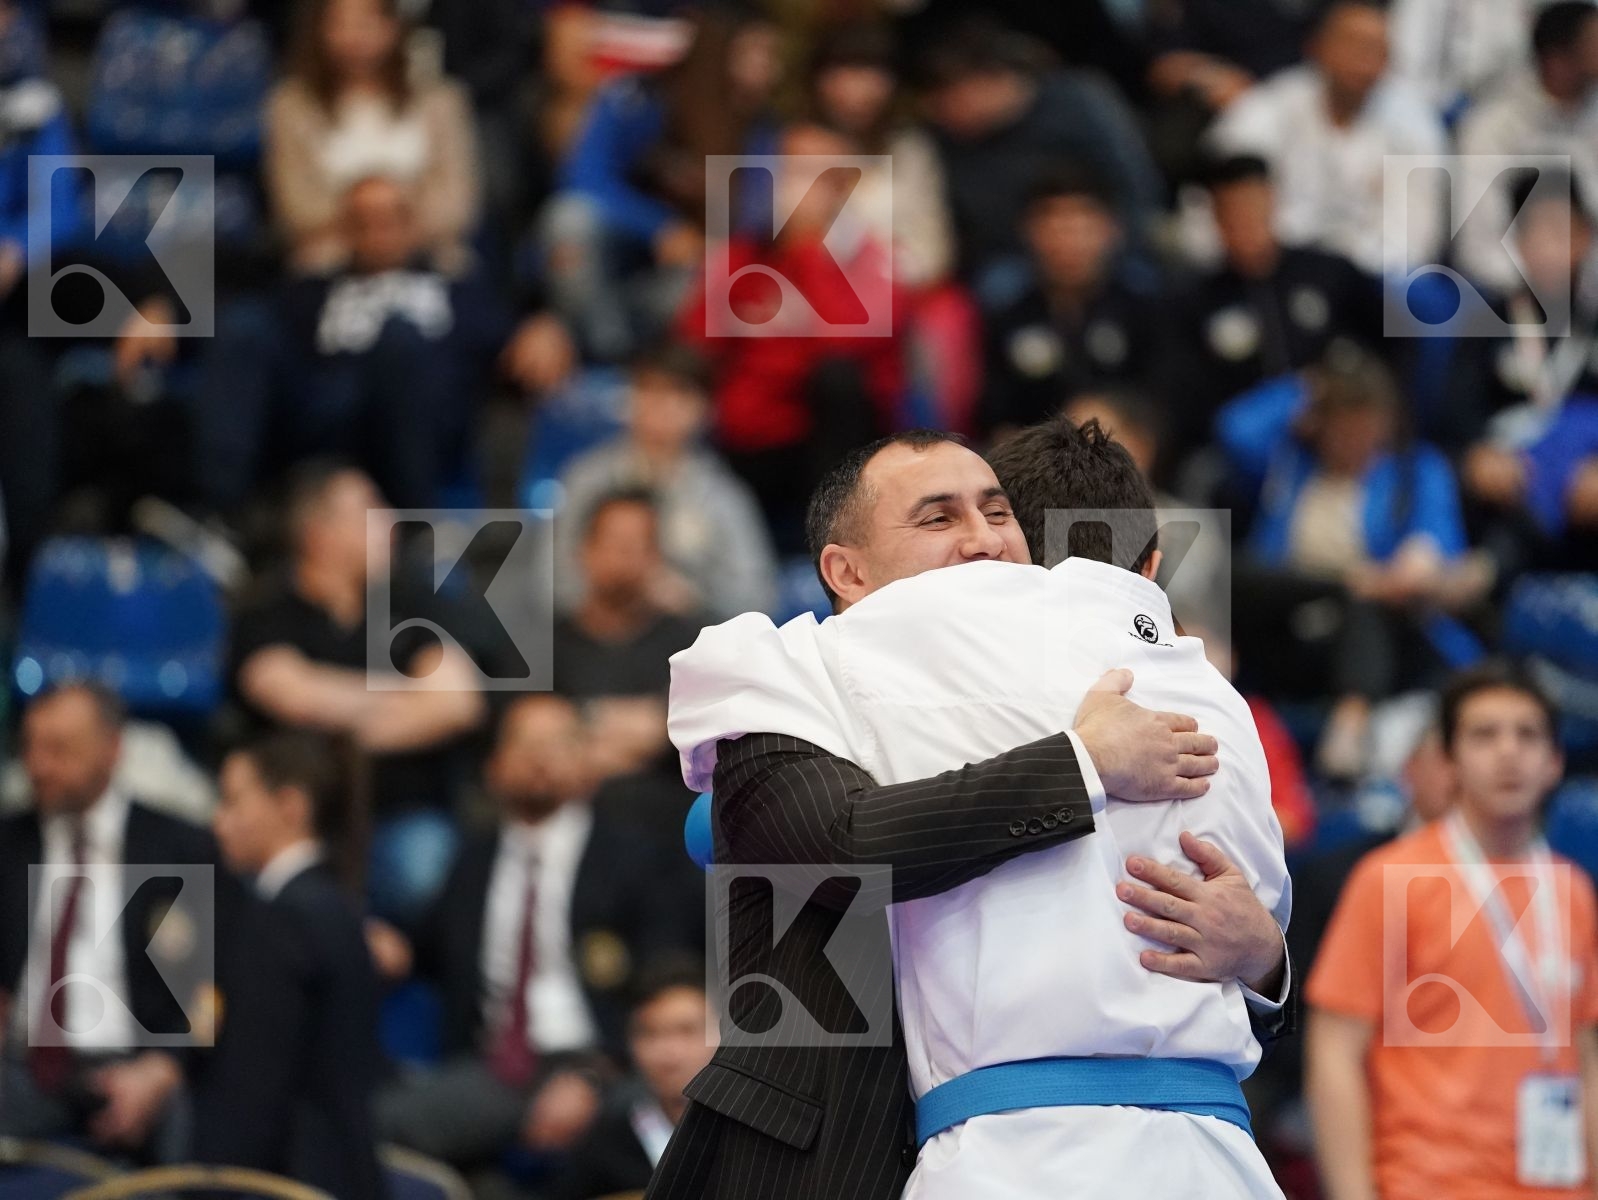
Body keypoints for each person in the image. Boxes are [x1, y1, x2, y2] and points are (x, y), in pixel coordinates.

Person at [648, 430, 1288, 1200]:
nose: (984, 540)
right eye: (939, 518)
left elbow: (1252, 896)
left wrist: (1266, 958)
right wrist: (1082, 762)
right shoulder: (795, 673)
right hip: (851, 1152)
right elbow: (834, 844)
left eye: (998, 512)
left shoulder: (1174, 683)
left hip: (1201, 1142)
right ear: (846, 572)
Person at [1306, 663, 1598, 1200]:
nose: (1509, 752)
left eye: (1528, 735)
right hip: (1427, 1184)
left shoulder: (1573, 891)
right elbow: (1336, 1049)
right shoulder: (1390, 878)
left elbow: (1586, 1053)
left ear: (1555, 761)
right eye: (1484, 735)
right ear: (1449, 761)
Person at [374, 694, 690, 1172]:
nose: (539, 758)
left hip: (608, 1066)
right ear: (493, 766)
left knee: (643, 1125)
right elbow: (424, 949)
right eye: (524, 743)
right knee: (382, 1121)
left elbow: (662, 979)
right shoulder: (474, 860)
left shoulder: (634, 861)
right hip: (494, 1069)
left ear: (588, 762)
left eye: (557, 743)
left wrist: (592, 1076)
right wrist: (386, 946)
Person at [229, 462, 487, 919]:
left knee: (430, 867)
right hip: (295, 823)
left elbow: (460, 703)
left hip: (400, 815)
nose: (391, 522)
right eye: (371, 511)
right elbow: (292, 696)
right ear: (319, 534)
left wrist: (340, 722)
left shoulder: (411, 605)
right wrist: (412, 696)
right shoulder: (266, 612)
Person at [0, 683, 213, 1156]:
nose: (38, 765)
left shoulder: (178, 848)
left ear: (112, 749)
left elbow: (210, 986)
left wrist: (166, 1067)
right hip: (21, 1065)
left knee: (183, 1113)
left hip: (133, 1064)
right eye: (30, 747)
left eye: (59, 750)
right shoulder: (9, 843)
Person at [202, 731, 384, 1200]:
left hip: (286, 1184)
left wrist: (208, 1189)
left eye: (233, 801)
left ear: (290, 806)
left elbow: (253, 1093)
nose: (218, 821)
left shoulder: (283, 918)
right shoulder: (333, 903)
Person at [917, 17, 1163, 305]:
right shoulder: (946, 141)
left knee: (1145, 286)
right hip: (1013, 261)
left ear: (991, 80)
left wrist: (1100, 246)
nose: (944, 112)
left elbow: (1136, 186)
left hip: (1103, 249)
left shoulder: (1078, 101)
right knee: (995, 291)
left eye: (952, 97)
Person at [1206, 0, 1446, 278]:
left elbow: (1412, 243)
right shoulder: (1265, 111)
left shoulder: (1415, 128)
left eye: (1376, 49)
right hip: (1274, 273)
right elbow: (1224, 208)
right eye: (1352, 44)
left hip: (1368, 283)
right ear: (1316, 46)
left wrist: (1339, 270)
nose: (1363, 60)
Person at [553, 343, 777, 621]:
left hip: (690, 638)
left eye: (677, 393)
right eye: (647, 389)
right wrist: (613, 590)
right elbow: (551, 579)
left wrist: (692, 599)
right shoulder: (586, 478)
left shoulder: (723, 494)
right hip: (597, 635)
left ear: (704, 408)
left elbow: (758, 598)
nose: (660, 405)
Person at [1177, 154, 1382, 445]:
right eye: (1232, 213)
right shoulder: (1199, 299)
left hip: (1337, 416)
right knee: (1238, 430)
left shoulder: (1327, 271)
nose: (1244, 223)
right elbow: (1192, 397)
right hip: (1252, 438)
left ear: (1272, 202)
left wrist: (1335, 386)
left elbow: (1389, 339)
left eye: (1252, 208)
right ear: (1216, 219)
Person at [266, 0, 481, 273]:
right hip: (329, 261)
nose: (355, 37)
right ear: (319, 30)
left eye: (366, 23)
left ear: (393, 27)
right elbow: (295, 206)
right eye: (341, 24)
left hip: (429, 256)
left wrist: (395, 235)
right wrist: (366, 231)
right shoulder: (290, 105)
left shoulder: (441, 99)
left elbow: (457, 203)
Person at [981, 168, 1177, 438]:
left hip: (1127, 451)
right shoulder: (1010, 318)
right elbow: (996, 415)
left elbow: (1166, 403)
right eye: (1055, 229)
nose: (1068, 243)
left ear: (1112, 229)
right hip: (1037, 456)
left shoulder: (1147, 310)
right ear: (1029, 232)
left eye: (1080, 229)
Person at [554, 488, 707, 781]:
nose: (625, 555)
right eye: (614, 541)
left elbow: (695, 735)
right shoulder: (546, 647)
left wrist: (579, 727)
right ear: (583, 550)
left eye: (639, 544)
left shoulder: (690, 645)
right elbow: (533, 732)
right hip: (568, 800)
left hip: (667, 800)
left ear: (657, 557)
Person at [1455, 2, 1598, 296]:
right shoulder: (1491, 128)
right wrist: (1544, 283)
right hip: (1510, 293)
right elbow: (1478, 245)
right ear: (1557, 59)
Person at [548, 959, 717, 1200]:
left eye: (687, 1031)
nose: (669, 1053)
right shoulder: (602, 1149)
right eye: (649, 1034)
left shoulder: (755, 1139)